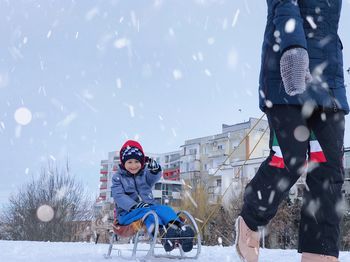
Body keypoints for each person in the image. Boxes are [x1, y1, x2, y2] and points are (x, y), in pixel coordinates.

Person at [235, 1, 349, 262]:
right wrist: (293, 46)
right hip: (287, 68)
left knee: (328, 170)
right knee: (290, 160)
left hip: (329, 76)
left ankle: (318, 254)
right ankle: (250, 221)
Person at [111, 140, 194, 252]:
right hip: (127, 214)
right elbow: (118, 196)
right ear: (123, 162)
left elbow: (153, 178)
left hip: (149, 208)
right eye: (129, 162)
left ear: (141, 162)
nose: (133, 165)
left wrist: (155, 171)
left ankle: (178, 229)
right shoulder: (118, 177)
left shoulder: (143, 174)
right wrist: (133, 206)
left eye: (136, 161)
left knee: (164, 209)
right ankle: (162, 235)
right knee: (149, 215)